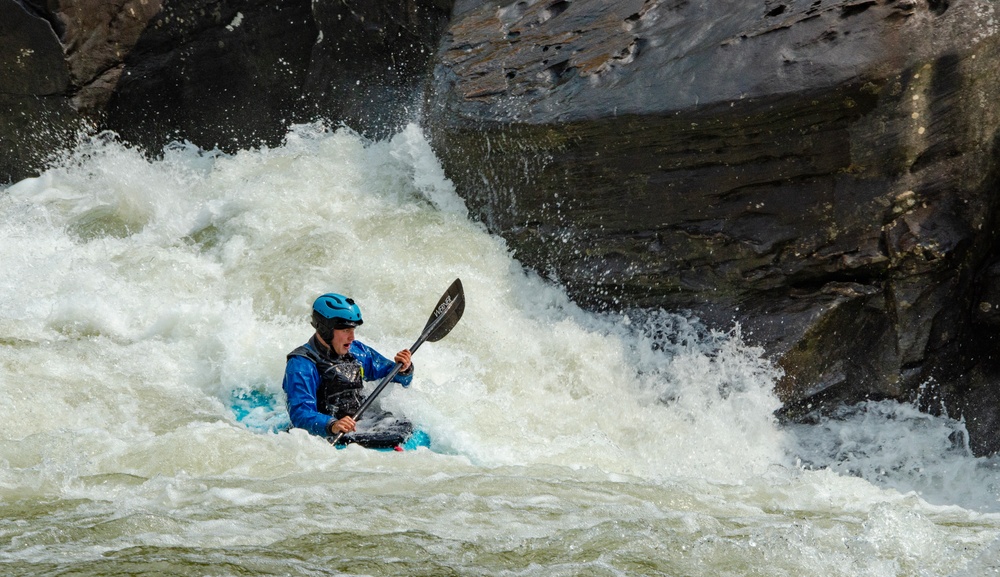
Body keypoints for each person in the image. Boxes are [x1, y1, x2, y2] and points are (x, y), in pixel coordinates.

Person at [282, 292, 413, 442]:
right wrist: (332, 425)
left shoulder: (357, 351)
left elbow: (394, 380)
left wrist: (404, 370)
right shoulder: (301, 365)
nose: (352, 338)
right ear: (325, 329)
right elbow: (300, 413)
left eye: (353, 330)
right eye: (345, 330)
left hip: (363, 423)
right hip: (325, 434)